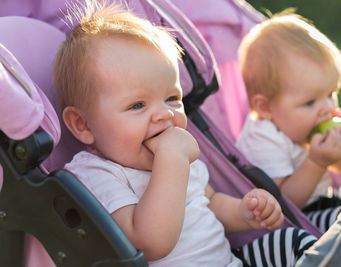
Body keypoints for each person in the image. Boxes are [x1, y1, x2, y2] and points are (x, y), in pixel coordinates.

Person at [53, 1, 317, 266]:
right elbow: (149, 243)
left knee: (297, 243)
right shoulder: (97, 175)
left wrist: (243, 212)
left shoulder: (174, 154)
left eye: (172, 98)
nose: (165, 115)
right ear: (83, 125)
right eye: (137, 105)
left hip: (229, 261)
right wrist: (173, 162)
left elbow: (209, 202)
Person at [235, 9, 341, 251]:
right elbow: (286, 204)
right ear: (265, 107)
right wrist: (316, 161)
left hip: (326, 200)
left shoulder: (304, 122)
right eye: (310, 102)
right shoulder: (262, 138)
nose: (326, 108)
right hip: (300, 222)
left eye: (331, 94)